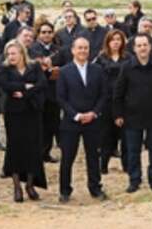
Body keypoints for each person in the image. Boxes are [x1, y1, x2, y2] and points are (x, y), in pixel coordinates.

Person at [113, 33, 152, 194]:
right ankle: (134, 180)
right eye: (139, 45)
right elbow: (118, 93)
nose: (142, 48)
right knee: (133, 150)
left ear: (150, 47)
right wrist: (118, 114)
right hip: (132, 116)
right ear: (134, 49)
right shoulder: (126, 67)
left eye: (145, 45)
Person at [57, 37, 107, 203]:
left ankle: (95, 188)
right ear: (73, 50)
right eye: (80, 48)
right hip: (71, 122)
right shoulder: (64, 71)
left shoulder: (98, 70)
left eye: (86, 48)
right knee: (67, 157)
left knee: (93, 156)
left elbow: (103, 95)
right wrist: (76, 115)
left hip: (93, 121)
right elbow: (61, 98)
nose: (83, 51)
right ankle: (65, 190)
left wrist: (94, 113)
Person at [0, 40, 47, 202]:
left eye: (13, 53)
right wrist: (26, 86)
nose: (10, 56)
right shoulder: (4, 68)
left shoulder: (35, 66)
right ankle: (17, 186)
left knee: (33, 147)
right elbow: (4, 84)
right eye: (8, 54)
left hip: (32, 112)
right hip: (14, 113)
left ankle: (30, 184)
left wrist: (24, 93)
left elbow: (42, 84)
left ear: (22, 54)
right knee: (15, 148)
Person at [30, 18, 67, 162]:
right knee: (38, 125)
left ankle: (46, 152)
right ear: (38, 34)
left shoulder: (58, 50)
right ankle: (37, 153)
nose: (46, 35)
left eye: (49, 32)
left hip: (54, 92)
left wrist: (59, 70)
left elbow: (65, 66)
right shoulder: (32, 49)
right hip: (38, 92)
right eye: (43, 32)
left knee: (53, 124)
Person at [95, 29, 129, 174]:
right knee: (106, 135)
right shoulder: (101, 58)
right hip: (107, 101)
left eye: (118, 39)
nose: (115, 42)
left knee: (126, 136)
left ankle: (127, 165)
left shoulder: (128, 58)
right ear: (107, 42)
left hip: (125, 101)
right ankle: (103, 165)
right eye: (112, 39)